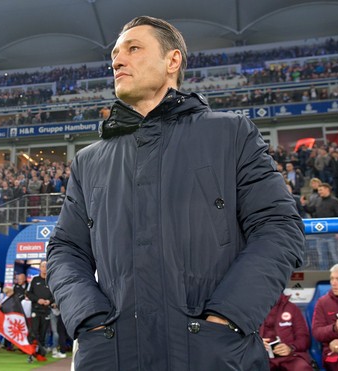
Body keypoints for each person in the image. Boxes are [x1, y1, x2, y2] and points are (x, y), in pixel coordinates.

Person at [46, 16, 305, 370]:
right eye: (115, 54)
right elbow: (65, 250)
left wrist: (226, 318)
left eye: (133, 49)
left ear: (172, 61)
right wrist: (90, 320)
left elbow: (279, 228)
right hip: (114, 356)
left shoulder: (231, 134)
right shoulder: (89, 161)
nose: (117, 61)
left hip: (213, 355)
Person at [260, 293, 313, 371]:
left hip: (290, 357)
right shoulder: (252, 310)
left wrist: (290, 348)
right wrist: (256, 344)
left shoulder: (292, 308)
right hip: (261, 358)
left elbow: (304, 338)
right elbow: (241, 338)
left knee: (301, 367)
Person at [27, 261, 53, 362]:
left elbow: (55, 294)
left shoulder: (51, 280)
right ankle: (31, 354)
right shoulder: (34, 280)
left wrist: (49, 301)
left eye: (46, 266)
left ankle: (40, 354)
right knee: (34, 333)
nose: (44, 268)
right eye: (42, 266)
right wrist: (37, 300)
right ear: (40, 268)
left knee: (43, 334)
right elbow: (28, 293)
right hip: (35, 310)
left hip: (46, 311)